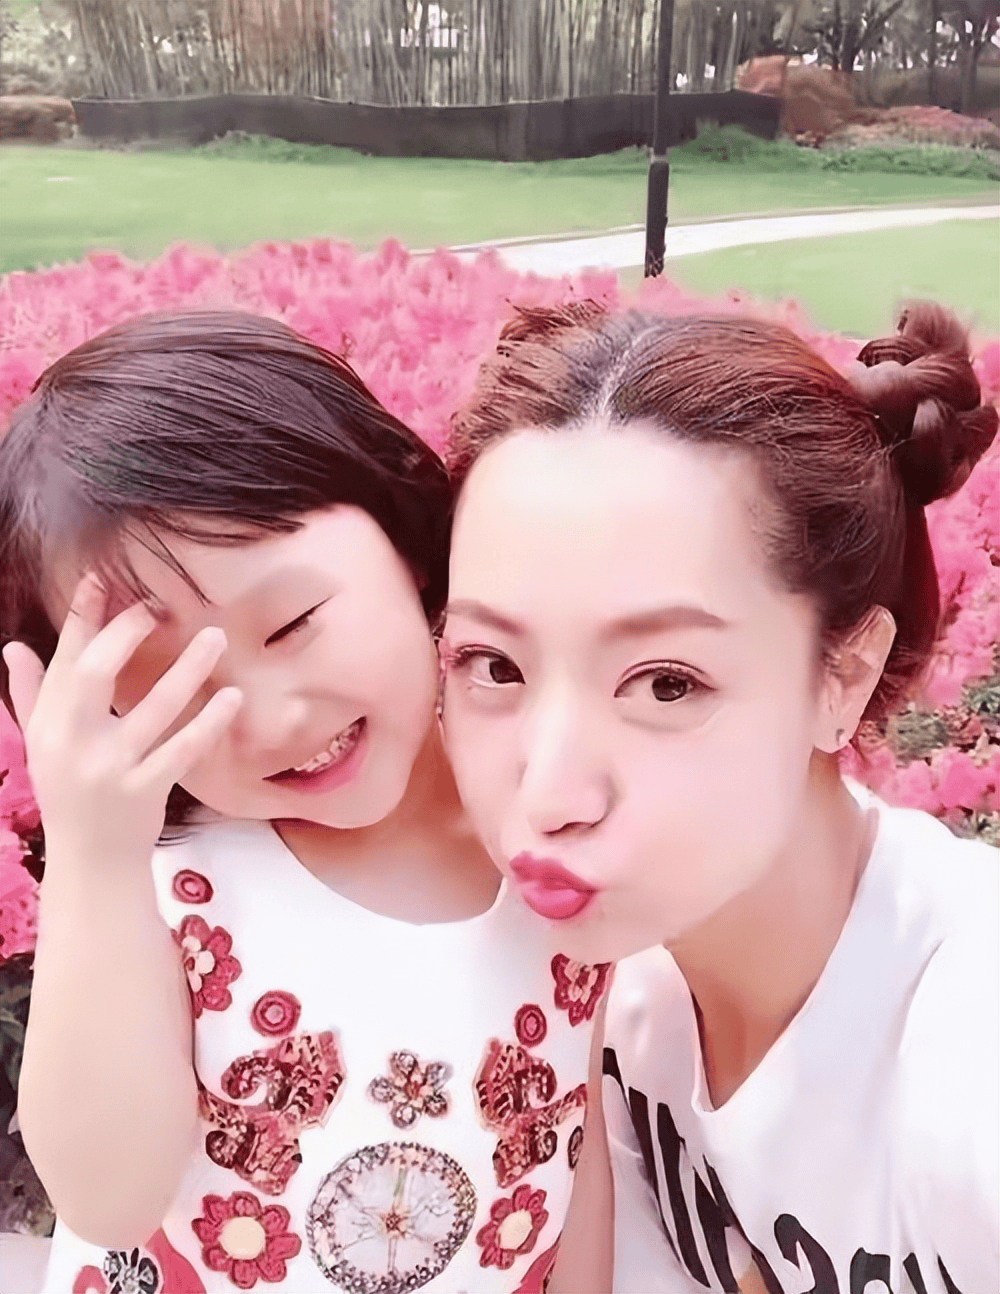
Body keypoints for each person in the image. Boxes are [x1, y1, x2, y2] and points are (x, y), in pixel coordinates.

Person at [0, 311, 606, 1294]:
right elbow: (109, 1199)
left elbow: (583, 1157)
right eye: (174, 690)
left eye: (292, 623)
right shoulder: (161, 894)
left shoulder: (555, 832)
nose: (271, 718)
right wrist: (91, 859)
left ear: (405, 536)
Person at [438, 300, 999, 1293]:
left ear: (843, 675)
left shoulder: (966, 1045)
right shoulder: (600, 1003)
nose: (550, 793)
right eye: (495, 665)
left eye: (666, 684)